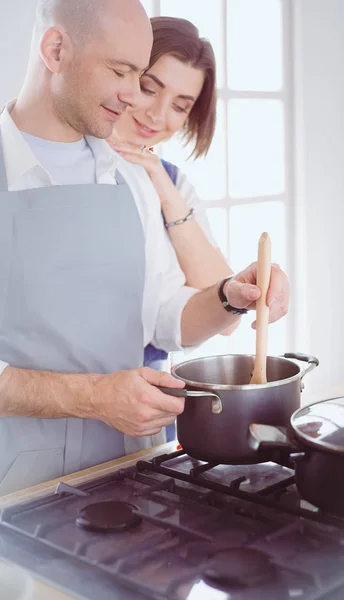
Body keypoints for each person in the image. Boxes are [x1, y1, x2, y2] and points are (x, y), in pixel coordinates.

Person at [0, 0, 290, 496]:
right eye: (124, 72)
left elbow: (163, 316)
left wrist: (227, 296)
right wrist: (93, 396)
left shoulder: (132, 177)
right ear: (54, 49)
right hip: (13, 485)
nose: (136, 98)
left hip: (127, 466)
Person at [108, 17, 235, 442]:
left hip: (147, 406)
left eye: (181, 105)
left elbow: (227, 310)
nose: (158, 115)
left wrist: (159, 179)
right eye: (149, 87)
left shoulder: (174, 183)